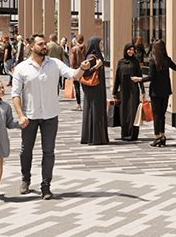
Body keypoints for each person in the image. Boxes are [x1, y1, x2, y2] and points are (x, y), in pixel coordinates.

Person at [11, 33, 87, 198]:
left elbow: (73, 75)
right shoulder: (22, 68)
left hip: (50, 115)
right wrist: (20, 115)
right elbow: (15, 94)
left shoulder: (55, 64)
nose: (44, 46)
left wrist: (83, 68)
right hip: (29, 115)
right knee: (26, 150)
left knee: (48, 151)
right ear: (32, 47)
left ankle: (46, 185)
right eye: (40, 44)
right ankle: (25, 179)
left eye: (45, 43)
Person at [142, 39, 176, 146]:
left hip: (155, 92)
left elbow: (151, 77)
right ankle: (162, 135)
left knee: (156, 115)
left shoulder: (153, 61)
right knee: (162, 115)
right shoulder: (166, 60)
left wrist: (139, 79)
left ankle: (157, 137)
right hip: (166, 91)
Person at [79, 36, 110, 146]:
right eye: (100, 44)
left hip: (96, 89)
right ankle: (95, 137)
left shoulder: (97, 57)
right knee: (94, 111)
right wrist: (96, 67)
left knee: (94, 111)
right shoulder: (92, 58)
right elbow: (84, 72)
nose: (102, 46)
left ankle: (93, 137)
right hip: (94, 90)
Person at [111, 42, 144, 141]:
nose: (131, 51)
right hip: (123, 91)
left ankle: (133, 135)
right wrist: (114, 92)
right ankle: (125, 134)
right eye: (129, 50)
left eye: (133, 50)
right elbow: (117, 78)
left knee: (133, 112)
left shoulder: (135, 62)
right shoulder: (120, 62)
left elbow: (140, 76)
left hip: (133, 90)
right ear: (126, 50)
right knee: (124, 112)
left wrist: (143, 90)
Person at [68, 34, 85, 110]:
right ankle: (86, 103)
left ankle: (79, 104)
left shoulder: (74, 49)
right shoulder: (85, 48)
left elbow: (72, 60)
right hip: (84, 69)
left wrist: (71, 69)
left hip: (76, 69)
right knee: (85, 88)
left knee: (77, 88)